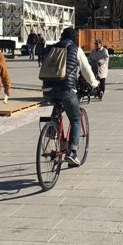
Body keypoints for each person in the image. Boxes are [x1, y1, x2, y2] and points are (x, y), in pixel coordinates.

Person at [42, 27, 98, 166]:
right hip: (67, 88)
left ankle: (52, 129)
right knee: (76, 119)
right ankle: (72, 152)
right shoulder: (75, 49)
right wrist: (94, 84)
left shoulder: (51, 48)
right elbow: (86, 70)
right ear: (74, 38)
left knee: (57, 106)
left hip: (47, 88)